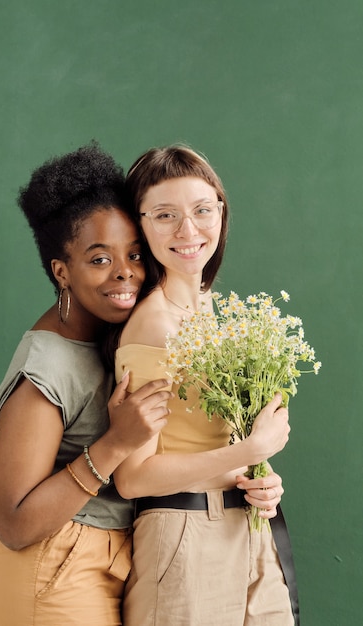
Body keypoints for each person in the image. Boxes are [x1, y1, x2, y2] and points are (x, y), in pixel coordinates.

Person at [0, 142, 173, 626]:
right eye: (99, 259)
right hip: (48, 572)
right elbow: (15, 523)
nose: (125, 271)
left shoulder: (117, 341)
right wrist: (115, 443)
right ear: (61, 271)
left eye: (134, 254)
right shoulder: (49, 365)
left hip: (108, 565)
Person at [114, 145, 295, 625]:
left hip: (248, 528)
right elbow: (133, 475)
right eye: (165, 215)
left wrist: (260, 481)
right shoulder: (153, 326)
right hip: (185, 538)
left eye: (202, 210)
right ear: (140, 225)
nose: (188, 231)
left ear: (221, 211)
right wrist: (247, 450)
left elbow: (219, 439)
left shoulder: (214, 311)